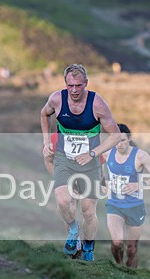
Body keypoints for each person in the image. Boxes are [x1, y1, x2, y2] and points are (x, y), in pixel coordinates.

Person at [40, 63, 120, 261]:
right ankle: (73, 230)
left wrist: (93, 153)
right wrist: (46, 141)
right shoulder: (57, 99)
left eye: (78, 85)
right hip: (63, 158)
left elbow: (115, 136)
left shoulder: (98, 104)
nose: (74, 90)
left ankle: (88, 248)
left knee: (88, 210)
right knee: (63, 200)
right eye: (70, 86)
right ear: (65, 84)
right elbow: (44, 114)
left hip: (89, 164)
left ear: (86, 83)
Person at [102, 124, 150, 268]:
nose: (119, 144)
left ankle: (131, 272)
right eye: (116, 140)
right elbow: (98, 171)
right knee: (117, 243)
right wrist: (103, 183)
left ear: (129, 139)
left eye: (122, 140)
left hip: (135, 206)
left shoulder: (140, 156)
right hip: (114, 205)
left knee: (131, 249)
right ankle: (119, 266)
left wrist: (138, 185)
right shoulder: (107, 153)